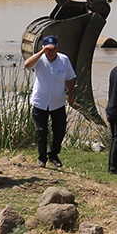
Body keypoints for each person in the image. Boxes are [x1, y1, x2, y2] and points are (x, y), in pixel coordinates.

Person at [23, 34, 76, 168]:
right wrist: (41, 52)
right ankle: (42, 158)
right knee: (41, 130)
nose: (51, 51)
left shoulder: (64, 60)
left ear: (57, 48)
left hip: (57, 102)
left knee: (60, 130)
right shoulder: (39, 59)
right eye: (48, 48)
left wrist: (71, 94)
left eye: (53, 48)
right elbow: (27, 65)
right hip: (40, 101)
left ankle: (53, 154)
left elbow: (70, 77)